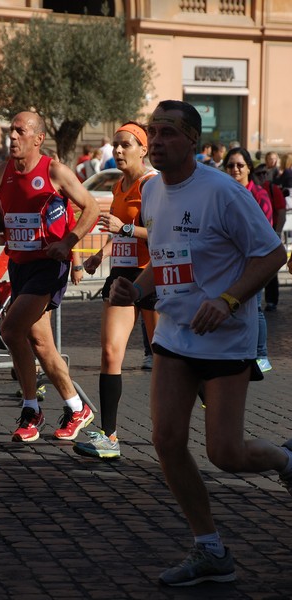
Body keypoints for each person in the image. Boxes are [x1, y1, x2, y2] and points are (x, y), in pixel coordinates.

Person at [109, 100, 291, 587]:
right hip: (173, 336)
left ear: (192, 139)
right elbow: (168, 262)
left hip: (225, 342)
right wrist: (138, 288)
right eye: (153, 132)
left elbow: (273, 254)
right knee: (166, 441)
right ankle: (209, 548)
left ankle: (286, 460)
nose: (159, 141)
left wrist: (229, 300)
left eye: (167, 133)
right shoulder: (153, 195)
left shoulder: (222, 192)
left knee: (225, 453)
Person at [0, 110, 99, 443]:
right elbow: (6, 217)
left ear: (38, 138)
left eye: (19, 132)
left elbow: (92, 208)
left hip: (49, 265)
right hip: (19, 265)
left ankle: (31, 409)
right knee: (42, 345)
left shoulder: (55, 171)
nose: (12, 137)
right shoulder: (2, 172)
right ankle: (77, 409)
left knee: (11, 328)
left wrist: (69, 242)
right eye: (10, 132)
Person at [73, 121, 158, 460]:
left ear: (143, 149)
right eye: (116, 144)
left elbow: (161, 235)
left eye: (126, 144)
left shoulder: (153, 186)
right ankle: (109, 436)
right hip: (122, 275)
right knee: (110, 353)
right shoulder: (121, 186)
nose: (119, 150)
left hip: (151, 276)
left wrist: (124, 227)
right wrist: (99, 254)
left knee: (169, 358)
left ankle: (205, 395)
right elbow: (119, 233)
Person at [223, 146, 273, 372]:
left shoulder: (259, 195)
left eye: (240, 165)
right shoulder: (223, 193)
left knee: (255, 307)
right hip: (230, 264)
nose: (235, 169)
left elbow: (266, 232)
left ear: (249, 168)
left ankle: (261, 355)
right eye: (230, 165)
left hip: (254, 261)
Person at [254, 164, 287, 312]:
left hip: (271, 233)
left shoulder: (273, 190)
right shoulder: (248, 190)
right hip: (253, 235)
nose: (262, 176)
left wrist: (278, 233)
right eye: (258, 173)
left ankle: (271, 300)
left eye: (264, 173)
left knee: (271, 269)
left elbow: (281, 213)